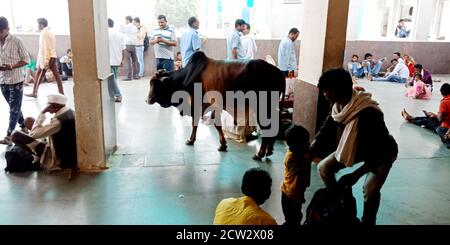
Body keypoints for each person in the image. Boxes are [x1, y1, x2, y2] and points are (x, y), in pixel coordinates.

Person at [311, 68, 398, 225]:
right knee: (323, 168)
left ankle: (368, 220)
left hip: (382, 153)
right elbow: (327, 128)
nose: (324, 94)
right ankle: (340, 203)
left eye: (326, 91)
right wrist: (312, 147)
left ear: (338, 91)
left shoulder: (369, 113)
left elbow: (380, 152)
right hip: (357, 148)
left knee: (369, 191)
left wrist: (355, 175)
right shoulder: (337, 106)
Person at [10, 94, 79, 180]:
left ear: (55, 105)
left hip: (56, 153)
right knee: (28, 120)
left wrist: (43, 112)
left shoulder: (58, 121)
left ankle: (39, 159)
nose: (47, 107)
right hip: (60, 142)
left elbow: (33, 134)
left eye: (48, 105)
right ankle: (35, 147)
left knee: (14, 135)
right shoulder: (69, 110)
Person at [0, 16, 30, 145]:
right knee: (14, 106)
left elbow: (26, 60)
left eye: (0, 31)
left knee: (13, 108)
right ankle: (23, 125)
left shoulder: (17, 41)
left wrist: (11, 66)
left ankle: (9, 136)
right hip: (2, 79)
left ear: (7, 29)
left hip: (16, 79)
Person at [401, 83, 450, 149]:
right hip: (446, 124)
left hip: (445, 127)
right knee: (430, 118)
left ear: (442, 93)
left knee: (427, 120)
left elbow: (440, 119)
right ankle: (411, 118)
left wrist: (436, 116)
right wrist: (435, 115)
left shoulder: (445, 101)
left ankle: (411, 119)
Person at [25, 18, 64, 98]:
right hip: (50, 57)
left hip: (48, 58)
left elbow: (46, 48)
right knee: (51, 75)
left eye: (38, 24)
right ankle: (61, 93)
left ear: (42, 24)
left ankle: (35, 93)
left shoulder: (45, 33)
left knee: (42, 75)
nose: (37, 26)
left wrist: (46, 61)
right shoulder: (49, 32)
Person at [281, 125, 311, 226]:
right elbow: (300, 170)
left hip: (295, 192)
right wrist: (307, 157)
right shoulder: (291, 157)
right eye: (305, 143)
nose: (308, 144)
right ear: (295, 145)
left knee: (295, 216)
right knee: (293, 217)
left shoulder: (298, 153)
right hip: (289, 194)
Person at [108, 18, 125, 103]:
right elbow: (123, 49)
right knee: (114, 78)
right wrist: (122, 60)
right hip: (117, 59)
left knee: (112, 79)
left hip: (109, 60)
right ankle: (113, 95)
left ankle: (118, 94)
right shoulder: (120, 34)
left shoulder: (105, 34)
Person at [120, 16, 139, 80]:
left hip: (127, 45)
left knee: (128, 61)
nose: (125, 21)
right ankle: (136, 75)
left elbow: (121, 31)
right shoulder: (135, 27)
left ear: (128, 20)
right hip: (134, 45)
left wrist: (121, 26)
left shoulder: (126, 26)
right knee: (135, 60)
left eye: (125, 20)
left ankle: (129, 76)